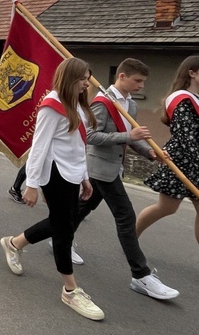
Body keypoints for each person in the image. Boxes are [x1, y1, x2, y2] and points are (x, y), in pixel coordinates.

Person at [0, 57, 104, 321]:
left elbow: (78, 148)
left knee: (61, 222)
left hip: (71, 173)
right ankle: (70, 289)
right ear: (70, 78)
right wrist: (31, 184)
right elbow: (39, 148)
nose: (86, 83)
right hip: (54, 175)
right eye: (82, 78)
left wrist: (85, 177)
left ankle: (14, 243)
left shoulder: (77, 105)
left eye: (87, 78)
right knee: (64, 229)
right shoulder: (51, 106)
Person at [71, 58, 178, 299]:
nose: (141, 86)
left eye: (143, 81)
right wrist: (127, 135)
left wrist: (151, 152)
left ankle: (57, 238)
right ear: (121, 77)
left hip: (112, 168)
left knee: (82, 207)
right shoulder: (102, 102)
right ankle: (141, 275)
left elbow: (133, 138)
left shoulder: (129, 104)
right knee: (126, 216)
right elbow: (90, 136)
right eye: (137, 80)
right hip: (99, 168)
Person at [137, 54, 199, 246]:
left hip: (195, 163)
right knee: (166, 208)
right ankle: (130, 238)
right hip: (180, 161)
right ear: (192, 73)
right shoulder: (182, 99)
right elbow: (185, 136)